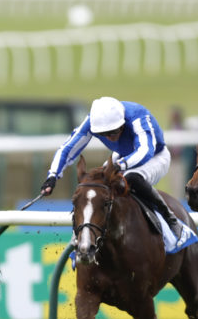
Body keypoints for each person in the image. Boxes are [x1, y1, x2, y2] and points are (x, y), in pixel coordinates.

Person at [40, 96, 183, 238]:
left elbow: (145, 150)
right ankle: (82, 238)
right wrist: (53, 176)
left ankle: (169, 217)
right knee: (96, 185)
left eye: (113, 132)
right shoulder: (92, 121)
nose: (109, 138)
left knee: (131, 177)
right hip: (121, 156)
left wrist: (120, 165)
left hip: (155, 157)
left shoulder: (137, 116)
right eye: (103, 134)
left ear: (122, 124)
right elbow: (67, 149)